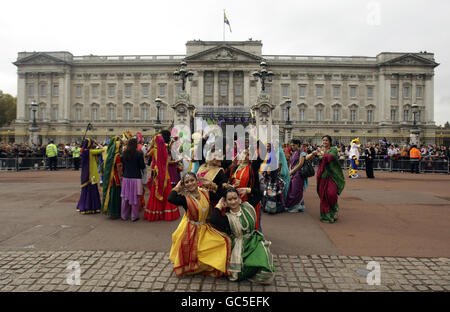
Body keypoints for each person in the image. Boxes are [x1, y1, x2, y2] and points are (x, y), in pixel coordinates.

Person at [168, 172, 231, 278]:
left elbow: (222, 193)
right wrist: (178, 186)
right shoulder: (185, 199)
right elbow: (171, 198)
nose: (190, 183)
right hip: (191, 230)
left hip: (205, 227)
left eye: (192, 180)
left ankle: (207, 265)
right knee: (195, 251)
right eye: (186, 182)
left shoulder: (206, 193)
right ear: (184, 185)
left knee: (223, 241)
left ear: (197, 181)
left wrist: (211, 184)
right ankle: (195, 267)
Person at [210, 188, 275, 284]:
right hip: (240, 246)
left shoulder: (247, 206)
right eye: (230, 200)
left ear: (239, 198)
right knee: (241, 272)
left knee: (264, 259)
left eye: (235, 198)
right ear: (226, 202)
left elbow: (260, 194)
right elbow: (213, 220)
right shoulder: (227, 218)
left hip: (254, 241)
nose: (233, 202)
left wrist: (248, 190)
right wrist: (219, 205)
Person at [307, 135, 345, 223]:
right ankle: (326, 214)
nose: (324, 142)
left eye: (326, 140)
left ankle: (334, 209)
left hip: (332, 176)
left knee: (331, 194)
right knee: (323, 196)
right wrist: (313, 153)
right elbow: (307, 158)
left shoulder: (333, 150)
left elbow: (329, 158)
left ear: (330, 142)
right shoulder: (319, 150)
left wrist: (321, 153)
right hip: (322, 175)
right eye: (323, 140)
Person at [144, 134, 180, 222]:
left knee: (156, 193)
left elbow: (147, 156)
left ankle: (157, 212)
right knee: (167, 193)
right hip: (165, 175)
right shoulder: (164, 149)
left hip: (157, 175)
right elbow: (167, 162)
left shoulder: (154, 150)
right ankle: (167, 212)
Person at [76, 138, 105, 214]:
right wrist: (97, 143)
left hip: (86, 175)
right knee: (92, 191)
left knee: (86, 191)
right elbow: (103, 149)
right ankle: (92, 207)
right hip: (91, 175)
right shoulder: (90, 152)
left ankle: (86, 207)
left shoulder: (84, 151)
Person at [121, 137, 146, 221]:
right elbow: (142, 166)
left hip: (126, 178)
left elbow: (123, 166)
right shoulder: (138, 154)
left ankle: (124, 215)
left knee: (125, 198)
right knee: (136, 198)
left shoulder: (124, 153)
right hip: (136, 178)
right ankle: (134, 216)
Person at [101, 137, 122, 219]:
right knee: (116, 195)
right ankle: (115, 212)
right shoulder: (118, 156)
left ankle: (110, 211)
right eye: (120, 147)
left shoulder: (111, 155)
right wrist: (120, 177)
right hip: (116, 178)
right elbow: (118, 168)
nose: (121, 148)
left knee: (111, 194)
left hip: (111, 178)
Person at [285, 139, 308, 213]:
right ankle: (294, 205)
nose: (292, 147)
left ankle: (297, 207)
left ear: (298, 145)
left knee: (296, 190)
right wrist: (290, 172)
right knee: (292, 190)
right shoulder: (294, 153)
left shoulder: (302, 153)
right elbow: (291, 164)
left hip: (298, 174)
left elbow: (300, 164)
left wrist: (292, 171)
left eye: (293, 145)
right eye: (291, 145)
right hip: (293, 174)